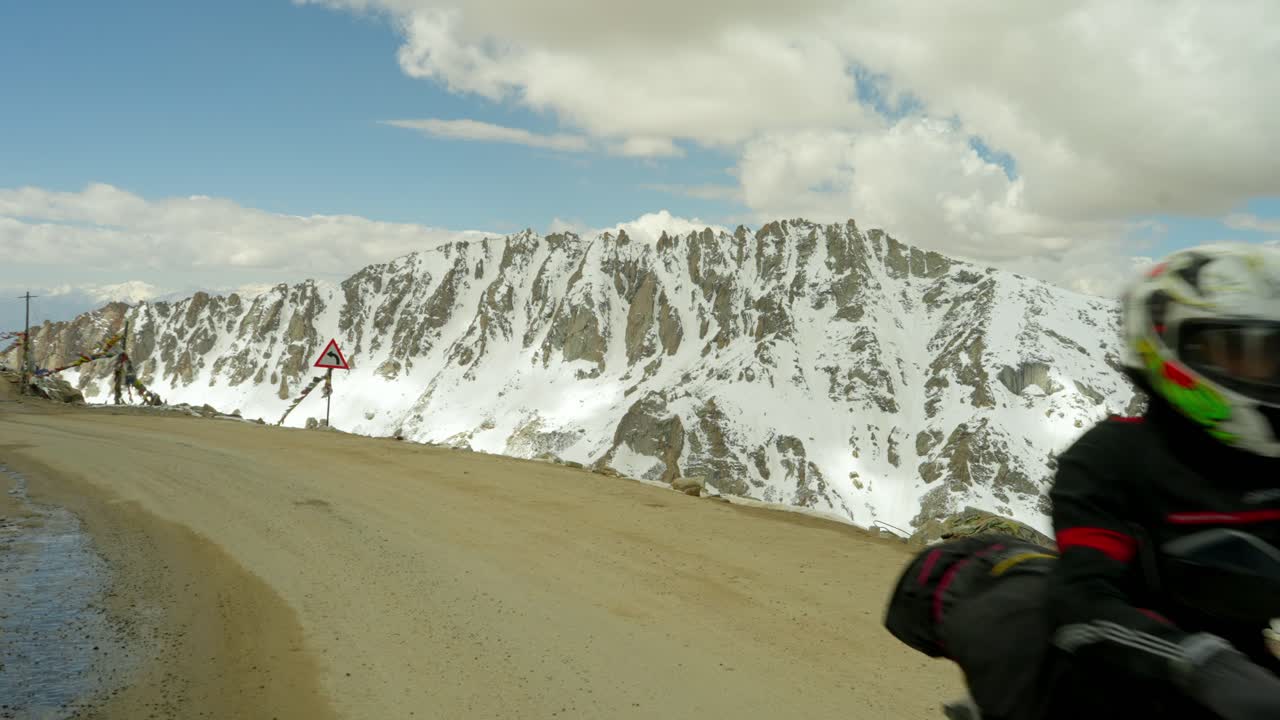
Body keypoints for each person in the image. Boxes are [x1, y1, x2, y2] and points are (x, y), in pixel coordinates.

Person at [885, 243, 1280, 720]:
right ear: (1174, 348)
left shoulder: (1265, 467)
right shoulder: (1113, 458)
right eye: (1240, 351)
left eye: (1273, 354)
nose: (1266, 372)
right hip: (1108, 686)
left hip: (1238, 684)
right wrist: (1204, 664)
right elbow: (1084, 604)